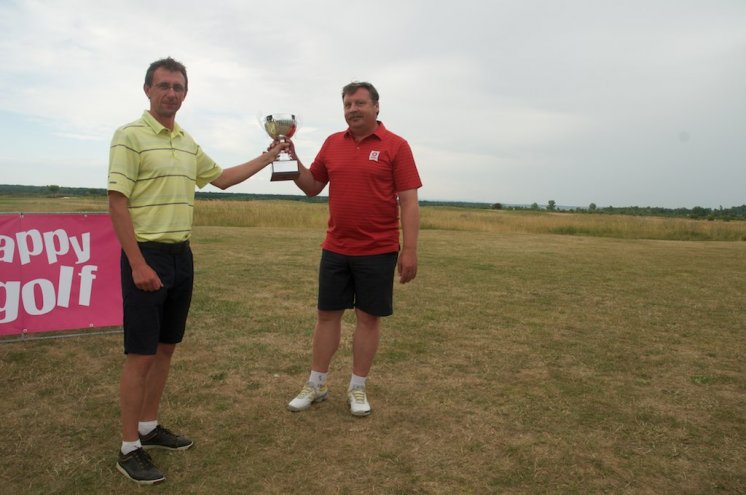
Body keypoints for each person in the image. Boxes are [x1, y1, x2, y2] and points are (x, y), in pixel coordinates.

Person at [107, 57, 285, 485]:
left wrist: (271, 154)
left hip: (180, 256)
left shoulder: (186, 141)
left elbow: (222, 178)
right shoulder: (128, 136)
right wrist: (136, 263)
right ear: (147, 90)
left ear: (185, 93)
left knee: (166, 348)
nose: (172, 93)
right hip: (146, 254)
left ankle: (149, 427)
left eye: (179, 87)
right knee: (140, 355)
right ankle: (129, 447)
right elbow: (117, 201)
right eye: (164, 85)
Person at [286, 81, 422, 417]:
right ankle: (316, 384)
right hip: (336, 247)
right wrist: (291, 159)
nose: (352, 110)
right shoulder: (333, 143)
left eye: (360, 103)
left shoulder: (396, 146)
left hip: (378, 249)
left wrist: (410, 250)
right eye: (347, 104)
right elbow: (312, 186)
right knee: (326, 316)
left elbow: (408, 200)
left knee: (368, 319)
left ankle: (357, 387)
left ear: (376, 107)